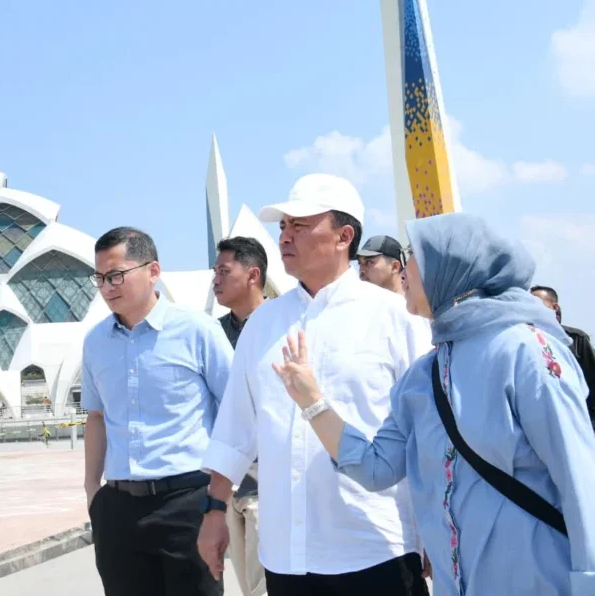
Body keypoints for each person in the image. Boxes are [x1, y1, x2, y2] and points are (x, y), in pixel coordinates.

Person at [271, 212, 595, 596]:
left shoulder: (524, 350)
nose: (403, 270)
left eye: (413, 255)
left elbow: (579, 478)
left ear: (453, 264)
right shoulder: (423, 375)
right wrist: (313, 402)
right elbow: (376, 468)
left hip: (538, 581)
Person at [197, 173, 432, 596]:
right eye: (283, 226)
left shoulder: (396, 317)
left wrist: (436, 525)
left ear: (344, 236)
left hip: (375, 546)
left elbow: (426, 432)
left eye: (300, 225)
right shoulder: (262, 325)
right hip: (287, 554)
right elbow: (236, 429)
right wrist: (214, 511)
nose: (285, 236)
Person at [83, 226, 234, 596]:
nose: (107, 287)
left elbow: (235, 412)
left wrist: (218, 500)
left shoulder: (197, 330)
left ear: (153, 271)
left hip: (187, 503)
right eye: (100, 278)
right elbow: (96, 417)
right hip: (118, 509)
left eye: (116, 275)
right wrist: (92, 491)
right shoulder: (95, 342)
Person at [212, 236, 268, 596]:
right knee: (248, 588)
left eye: (223, 270)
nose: (215, 280)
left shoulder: (281, 326)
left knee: (269, 586)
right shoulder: (212, 333)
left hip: (268, 481)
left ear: (252, 275)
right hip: (228, 481)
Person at [532, 286, 595, 426]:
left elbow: (592, 384)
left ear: (554, 307)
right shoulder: (525, 339)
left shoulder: (577, 339)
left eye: (537, 303)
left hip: (576, 423)